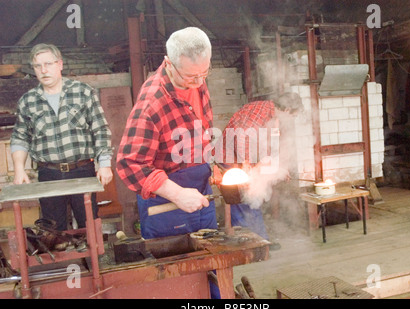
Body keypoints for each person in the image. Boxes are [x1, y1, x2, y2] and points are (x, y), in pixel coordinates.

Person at [116, 27, 216, 240]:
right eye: (191, 77)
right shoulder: (152, 103)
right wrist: (177, 194)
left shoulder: (196, 78)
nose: (199, 83)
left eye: (204, 74)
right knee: (175, 269)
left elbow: (201, 130)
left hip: (201, 189)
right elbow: (129, 164)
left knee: (211, 264)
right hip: (166, 200)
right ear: (169, 64)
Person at [10, 43, 113, 231]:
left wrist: (104, 164)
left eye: (48, 64)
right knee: (53, 230)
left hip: (82, 170)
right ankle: (62, 259)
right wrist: (19, 170)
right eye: (37, 66)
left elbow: (100, 129)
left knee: (89, 224)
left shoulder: (83, 92)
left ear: (60, 64)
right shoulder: (28, 101)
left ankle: (93, 260)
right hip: (49, 174)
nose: (43, 70)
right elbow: (20, 137)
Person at [218, 92, 303, 247]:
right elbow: (242, 137)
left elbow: (269, 146)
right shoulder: (260, 111)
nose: (291, 120)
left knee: (253, 198)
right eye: (293, 116)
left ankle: (259, 240)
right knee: (243, 200)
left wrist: (279, 168)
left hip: (245, 160)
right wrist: (248, 167)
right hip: (232, 160)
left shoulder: (274, 118)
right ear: (287, 109)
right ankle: (248, 243)